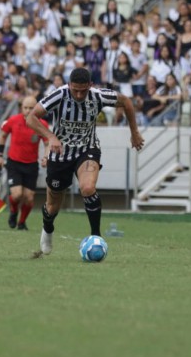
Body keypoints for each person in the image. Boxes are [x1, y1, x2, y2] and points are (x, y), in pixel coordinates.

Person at [26, 67, 144, 256]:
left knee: (88, 188)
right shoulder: (59, 95)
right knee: (53, 204)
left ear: (90, 85)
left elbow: (126, 102)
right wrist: (51, 137)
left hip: (87, 149)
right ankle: (47, 228)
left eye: (83, 90)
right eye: (75, 90)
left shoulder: (98, 96)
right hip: (60, 153)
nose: (79, 95)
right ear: (69, 85)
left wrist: (134, 132)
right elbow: (31, 118)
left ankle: (96, 237)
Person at [0, 96, 49, 230]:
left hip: (31, 165)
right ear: (21, 108)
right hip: (14, 163)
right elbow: (3, 135)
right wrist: (0, 156)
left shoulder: (42, 124)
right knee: (17, 194)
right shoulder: (13, 120)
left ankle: (21, 222)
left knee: (29, 198)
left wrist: (46, 156)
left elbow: (48, 141)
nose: (28, 110)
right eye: (25, 107)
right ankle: (13, 212)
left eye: (31, 108)